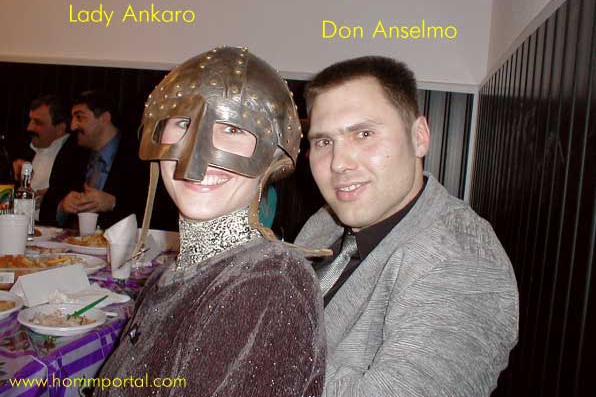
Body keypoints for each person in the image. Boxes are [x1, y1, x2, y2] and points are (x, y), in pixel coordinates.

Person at [94, 46, 325, 397]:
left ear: (273, 155)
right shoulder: (174, 272)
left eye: (232, 128)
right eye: (182, 122)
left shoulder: (267, 283)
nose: (196, 156)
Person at [295, 56, 518, 397]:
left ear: (419, 137)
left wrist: (258, 350)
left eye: (364, 134)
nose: (338, 163)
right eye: (324, 142)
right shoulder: (325, 221)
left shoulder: (461, 259)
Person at [57, 90, 147, 228]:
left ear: (104, 118)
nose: (72, 126)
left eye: (80, 117)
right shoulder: (72, 151)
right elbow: (50, 201)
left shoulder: (139, 155)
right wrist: (63, 206)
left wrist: (113, 203)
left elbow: (155, 211)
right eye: (73, 118)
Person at [12, 95, 87, 224]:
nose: (29, 128)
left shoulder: (77, 156)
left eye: (38, 123)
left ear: (60, 128)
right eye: (30, 120)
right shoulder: (24, 148)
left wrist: (49, 198)